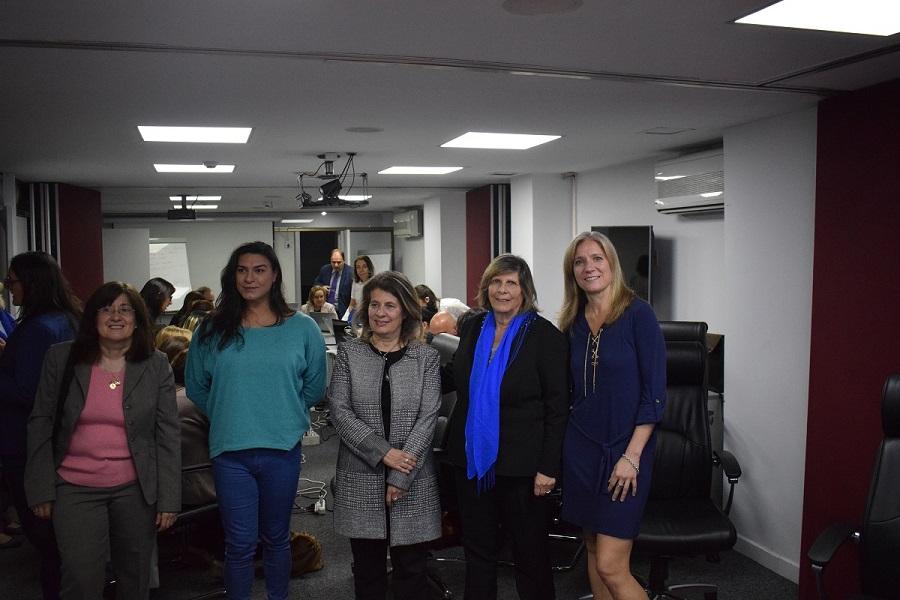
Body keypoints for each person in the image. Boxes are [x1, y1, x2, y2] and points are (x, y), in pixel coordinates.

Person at [186, 241, 326, 600]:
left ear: (274, 274)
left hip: (282, 449)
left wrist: (282, 414)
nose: (250, 278)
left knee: (277, 538)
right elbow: (197, 386)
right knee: (240, 542)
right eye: (242, 270)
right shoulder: (212, 329)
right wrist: (229, 412)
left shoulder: (303, 328)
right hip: (230, 451)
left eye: (259, 269)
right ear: (232, 276)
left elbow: (313, 387)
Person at [24, 281, 180, 600]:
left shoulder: (156, 364)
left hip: (136, 488)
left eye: (125, 309)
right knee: (81, 580)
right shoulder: (61, 358)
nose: (115, 316)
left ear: (138, 319)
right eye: (106, 308)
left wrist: (169, 498)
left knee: (135, 579)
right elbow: (40, 422)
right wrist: (40, 487)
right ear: (92, 318)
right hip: (74, 487)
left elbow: (167, 434)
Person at [445, 254, 569, 600]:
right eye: (496, 282)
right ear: (486, 288)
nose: (502, 290)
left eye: (511, 283)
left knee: (529, 554)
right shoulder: (472, 327)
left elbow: (558, 409)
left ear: (524, 290)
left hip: (525, 468)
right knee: (478, 550)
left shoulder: (545, 337)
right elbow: (458, 379)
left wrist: (548, 467)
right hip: (471, 461)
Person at [558, 232, 666, 600]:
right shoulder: (572, 322)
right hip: (581, 450)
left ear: (612, 264)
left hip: (625, 452)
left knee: (611, 565)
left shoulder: (639, 314)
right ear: (571, 271)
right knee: (591, 547)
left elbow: (654, 398)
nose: (589, 267)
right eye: (579, 261)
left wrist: (632, 457)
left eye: (597, 258)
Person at [329, 271, 441, 600]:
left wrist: (400, 473)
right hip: (360, 476)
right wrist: (384, 453)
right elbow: (339, 410)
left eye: (390, 305)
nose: (381, 313)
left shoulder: (427, 358)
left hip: (413, 477)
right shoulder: (350, 354)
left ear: (405, 310)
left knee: (412, 570)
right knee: (367, 571)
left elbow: (428, 416)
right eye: (375, 305)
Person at [0, 251, 81, 599]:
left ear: (30, 283)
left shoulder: (37, 329)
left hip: (27, 443)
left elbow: (27, 391)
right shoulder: (69, 319)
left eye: (12, 281)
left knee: (46, 540)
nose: (9, 288)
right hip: (62, 441)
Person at [314, 249, 352, 318]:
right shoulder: (325, 270)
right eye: (333, 262)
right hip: (326, 310)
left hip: (343, 311)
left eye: (339, 262)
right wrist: (321, 288)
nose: (336, 265)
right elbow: (316, 285)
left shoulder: (350, 273)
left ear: (344, 260)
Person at [346, 254, 375, 320]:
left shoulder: (374, 283)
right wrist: (349, 315)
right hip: (357, 317)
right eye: (358, 267)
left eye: (364, 267)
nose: (361, 270)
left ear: (369, 268)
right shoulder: (355, 283)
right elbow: (352, 303)